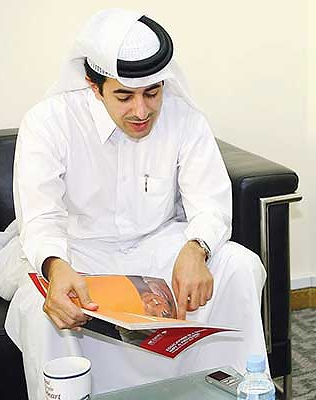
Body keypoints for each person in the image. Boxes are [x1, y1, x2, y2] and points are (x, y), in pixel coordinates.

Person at [4, 9, 268, 398]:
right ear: (95, 87)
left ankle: (237, 390)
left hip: (157, 246)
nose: (141, 111)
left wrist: (197, 248)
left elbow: (210, 200)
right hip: (76, 253)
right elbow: (41, 216)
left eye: (152, 93)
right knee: (42, 307)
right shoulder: (48, 122)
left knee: (239, 266)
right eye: (124, 96)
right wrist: (55, 267)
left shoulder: (183, 118)